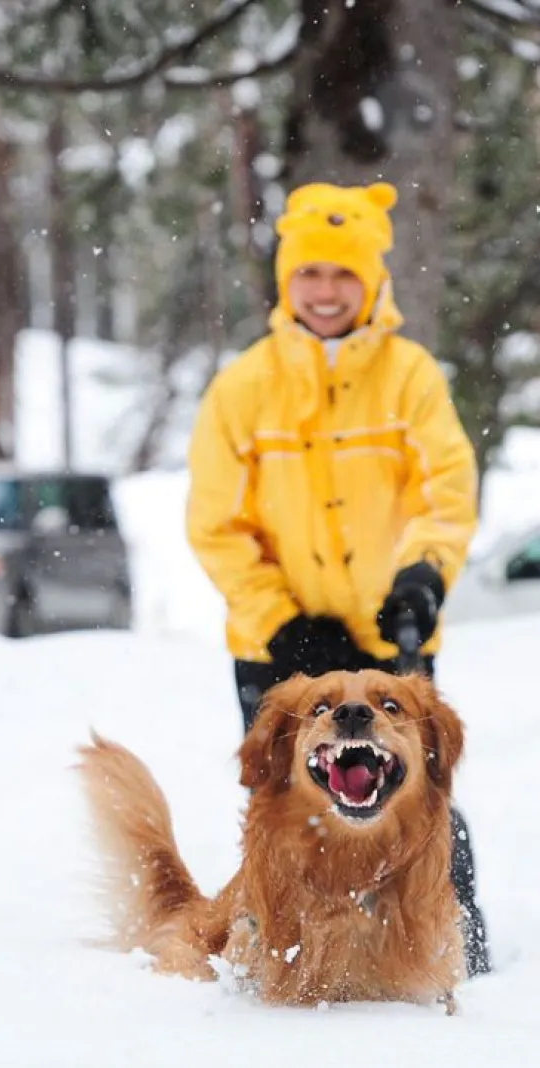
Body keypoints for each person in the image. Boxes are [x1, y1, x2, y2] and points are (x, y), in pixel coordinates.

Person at [186, 181, 490, 977]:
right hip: (276, 645)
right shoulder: (243, 388)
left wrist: (424, 573)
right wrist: (282, 622)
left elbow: (446, 492)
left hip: (388, 640)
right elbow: (216, 525)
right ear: (288, 284)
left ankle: (449, 942)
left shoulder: (410, 376)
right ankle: (279, 949)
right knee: (284, 805)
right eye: (310, 276)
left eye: (343, 275)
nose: (326, 293)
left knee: (418, 798)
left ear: (372, 282)